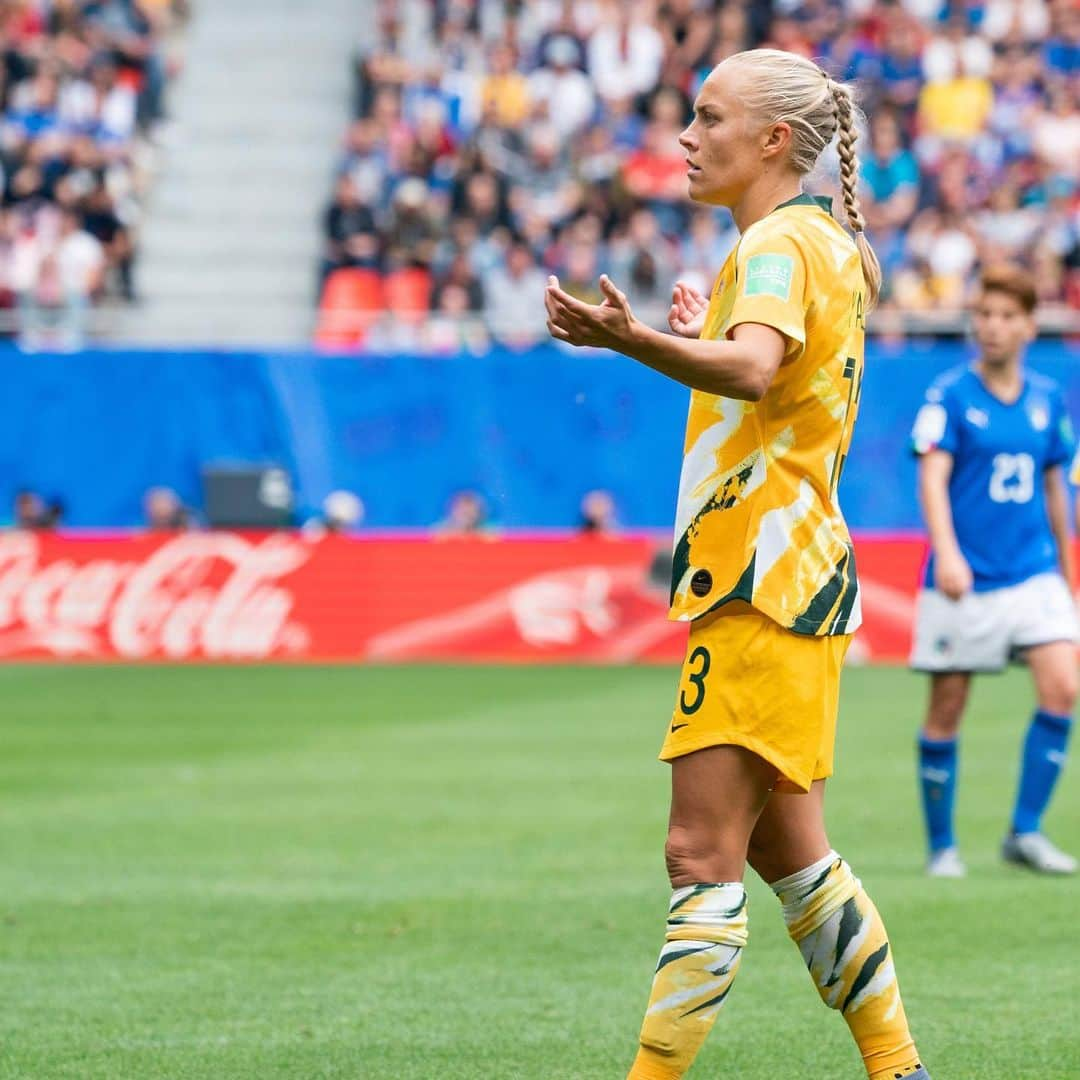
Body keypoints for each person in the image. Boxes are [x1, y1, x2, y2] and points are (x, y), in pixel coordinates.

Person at [545, 48, 930, 1080]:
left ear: (771, 142)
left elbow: (755, 365)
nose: (686, 137)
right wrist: (690, 344)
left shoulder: (775, 245)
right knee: (792, 858)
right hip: (795, 576)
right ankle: (899, 1067)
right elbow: (768, 382)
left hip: (760, 581)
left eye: (708, 119)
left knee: (697, 856)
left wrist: (631, 341)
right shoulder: (818, 243)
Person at [910, 264, 1077, 878]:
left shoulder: (1046, 400)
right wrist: (947, 552)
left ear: (1030, 326)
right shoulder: (948, 395)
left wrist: (1066, 569)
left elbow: (1058, 488)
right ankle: (943, 849)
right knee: (947, 709)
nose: (993, 327)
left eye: (1007, 316)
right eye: (984, 315)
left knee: (1063, 688)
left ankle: (1026, 832)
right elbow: (932, 476)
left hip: (1034, 572)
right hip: (967, 574)